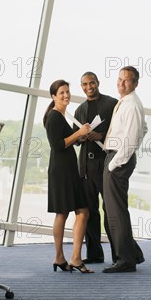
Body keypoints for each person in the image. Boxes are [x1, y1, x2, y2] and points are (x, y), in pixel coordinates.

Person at [43, 79, 94, 274]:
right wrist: (78, 133)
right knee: (77, 212)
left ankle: (64, 257)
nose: (66, 95)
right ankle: (72, 258)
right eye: (61, 92)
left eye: (67, 92)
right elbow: (57, 145)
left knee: (69, 213)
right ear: (54, 96)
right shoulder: (54, 117)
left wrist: (80, 136)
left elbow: (67, 141)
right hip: (62, 171)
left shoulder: (61, 116)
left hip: (67, 169)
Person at [102, 66, 148, 273]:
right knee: (115, 210)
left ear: (136, 83)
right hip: (115, 157)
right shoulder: (126, 102)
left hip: (118, 160)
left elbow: (130, 139)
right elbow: (143, 129)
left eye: (127, 80)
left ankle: (125, 261)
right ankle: (132, 254)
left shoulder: (132, 105)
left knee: (115, 212)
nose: (121, 83)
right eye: (119, 79)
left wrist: (114, 163)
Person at [74, 72, 118, 264]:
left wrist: (101, 136)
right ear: (82, 86)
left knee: (110, 209)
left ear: (97, 83)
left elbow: (121, 130)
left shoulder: (112, 104)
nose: (89, 86)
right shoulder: (79, 110)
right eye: (85, 84)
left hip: (105, 162)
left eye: (92, 83)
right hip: (85, 165)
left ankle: (119, 255)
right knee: (89, 210)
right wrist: (82, 137)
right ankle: (94, 254)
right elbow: (75, 139)